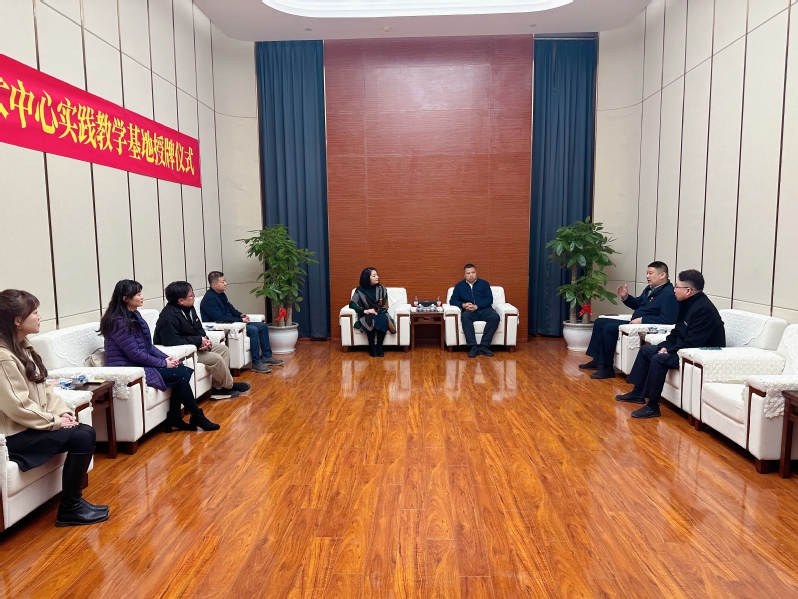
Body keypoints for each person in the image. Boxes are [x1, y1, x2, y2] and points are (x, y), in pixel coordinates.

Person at [0, 289, 108, 527]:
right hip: (13, 437)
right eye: (34, 312)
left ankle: (73, 503)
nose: (39, 316)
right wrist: (54, 422)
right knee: (82, 435)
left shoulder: (23, 348)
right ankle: (70, 508)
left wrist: (62, 412)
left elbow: (45, 389)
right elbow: (18, 406)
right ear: (17, 320)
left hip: (29, 426)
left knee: (83, 431)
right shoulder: (3, 357)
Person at [100, 280, 219, 432]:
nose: (142, 297)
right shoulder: (118, 321)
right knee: (179, 374)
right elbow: (134, 354)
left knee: (180, 368)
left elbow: (148, 346)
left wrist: (166, 358)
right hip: (128, 368)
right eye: (138, 294)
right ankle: (195, 416)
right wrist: (163, 364)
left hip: (138, 363)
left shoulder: (134, 315)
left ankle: (176, 417)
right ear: (126, 299)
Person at [616, 269, 725, 419]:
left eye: (677, 287)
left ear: (688, 291)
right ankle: (637, 393)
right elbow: (676, 332)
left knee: (659, 359)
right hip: (684, 348)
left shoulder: (703, 310)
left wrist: (669, 350)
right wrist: (665, 346)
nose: (674, 290)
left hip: (700, 354)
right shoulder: (686, 303)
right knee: (647, 350)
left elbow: (694, 342)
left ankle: (653, 406)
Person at [580, 261, 679, 379]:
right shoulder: (650, 289)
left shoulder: (669, 293)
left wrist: (642, 320)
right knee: (599, 322)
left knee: (609, 328)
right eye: (647, 273)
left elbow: (668, 319)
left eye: (650, 273)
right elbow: (638, 304)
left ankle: (606, 368)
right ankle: (597, 360)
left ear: (662, 275)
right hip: (633, 323)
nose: (647, 276)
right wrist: (625, 297)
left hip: (643, 326)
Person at [154, 281, 250, 401]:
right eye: (191, 295)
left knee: (223, 349)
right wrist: (198, 341)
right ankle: (229, 385)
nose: (194, 297)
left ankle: (219, 388)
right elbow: (172, 341)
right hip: (183, 352)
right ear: (181, 300)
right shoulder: (168, 316)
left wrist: (204, 340)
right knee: (216, 358)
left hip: (194, 345)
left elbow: (198, 328)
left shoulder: (189, 308)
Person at [200, 271, 283, 374]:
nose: (226, 283)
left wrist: (240, 315)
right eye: (223, 282)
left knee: (262, 326)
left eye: (225, 281)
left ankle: (267, 356)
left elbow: (231, 309)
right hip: (223, 327)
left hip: (233, 323)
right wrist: (240, 320)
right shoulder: (209, 299)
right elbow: (220, 318)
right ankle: (256, 363)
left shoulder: (221, 294)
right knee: (253, 329)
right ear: (214, 285)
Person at [449, 264, 500, 358]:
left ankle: (484, 346)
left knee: (495, 317)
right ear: (464, 275)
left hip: (484, 309)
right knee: (465, 317)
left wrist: (477, 306)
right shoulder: (459, 286)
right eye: (468, 273)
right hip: (469, 311)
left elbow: (489, 299)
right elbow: (452, 301)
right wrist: (463, 305)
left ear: (476, 273)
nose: (471, 275)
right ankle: (473, 347)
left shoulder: (484, 284)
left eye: (473, 272)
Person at [349, 267, 394, 357]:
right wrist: (365, 310)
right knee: (369, 318)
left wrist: (377, 312)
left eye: (377, 275)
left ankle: (379, 346)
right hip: (367, 313)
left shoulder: (382, 289)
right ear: (367, 278)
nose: (377, 277)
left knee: (383, 318)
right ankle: (371, 346)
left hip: (380, 312)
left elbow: (385, 305)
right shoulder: (360, 290)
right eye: (374, 275)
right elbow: (352, 303)